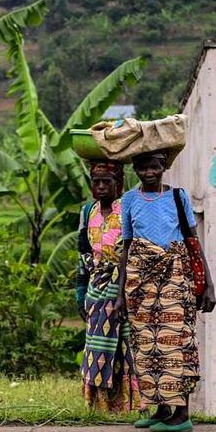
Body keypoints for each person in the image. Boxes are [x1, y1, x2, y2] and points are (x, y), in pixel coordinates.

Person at [112, 151, 216, 432]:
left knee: (176, 342)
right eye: (143, 168)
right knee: (147, 345)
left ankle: (182, 413)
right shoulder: (130, 200)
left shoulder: (177, 197)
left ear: (163, 168)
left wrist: (208, 284)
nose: (149, 173)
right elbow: (127, 247)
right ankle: (161, 409)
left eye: (155, 168)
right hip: (140, 283)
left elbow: (193, 242)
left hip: (174, 278)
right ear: (136, 170)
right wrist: (121, 293)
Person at [76, 161, 139, 413]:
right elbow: (82, 253)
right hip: (95, 287)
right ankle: (98, 403)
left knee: (123, 345)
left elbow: (132, 249)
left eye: (107, 182)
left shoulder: (126, 209)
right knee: (95, 345)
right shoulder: (87, 211)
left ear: (119, 184)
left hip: (121, 286)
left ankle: (125, 404)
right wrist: (80, 294)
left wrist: (125, 291)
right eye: (96, 181)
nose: (101, 186)